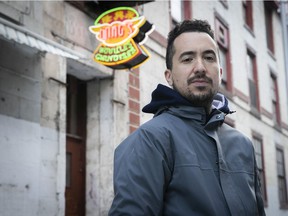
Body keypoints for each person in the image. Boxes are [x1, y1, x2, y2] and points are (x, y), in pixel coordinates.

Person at [109, 19, 265, 216]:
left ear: (220, 72)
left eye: (209, 57)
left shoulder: (243, 145)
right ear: (169, 75)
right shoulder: (150, 140)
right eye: (187, 59)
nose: (200, 67)